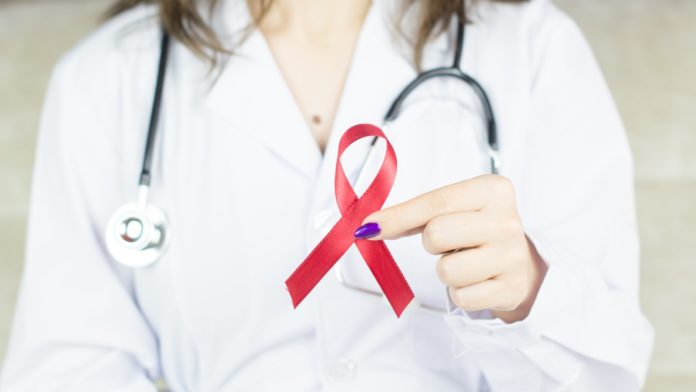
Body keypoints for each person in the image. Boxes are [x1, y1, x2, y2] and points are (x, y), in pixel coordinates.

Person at [0, 0, 654, 390]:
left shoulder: (533, 47)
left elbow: (609, 374)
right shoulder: (107, 78)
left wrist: (533, 293)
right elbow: (68, 373)